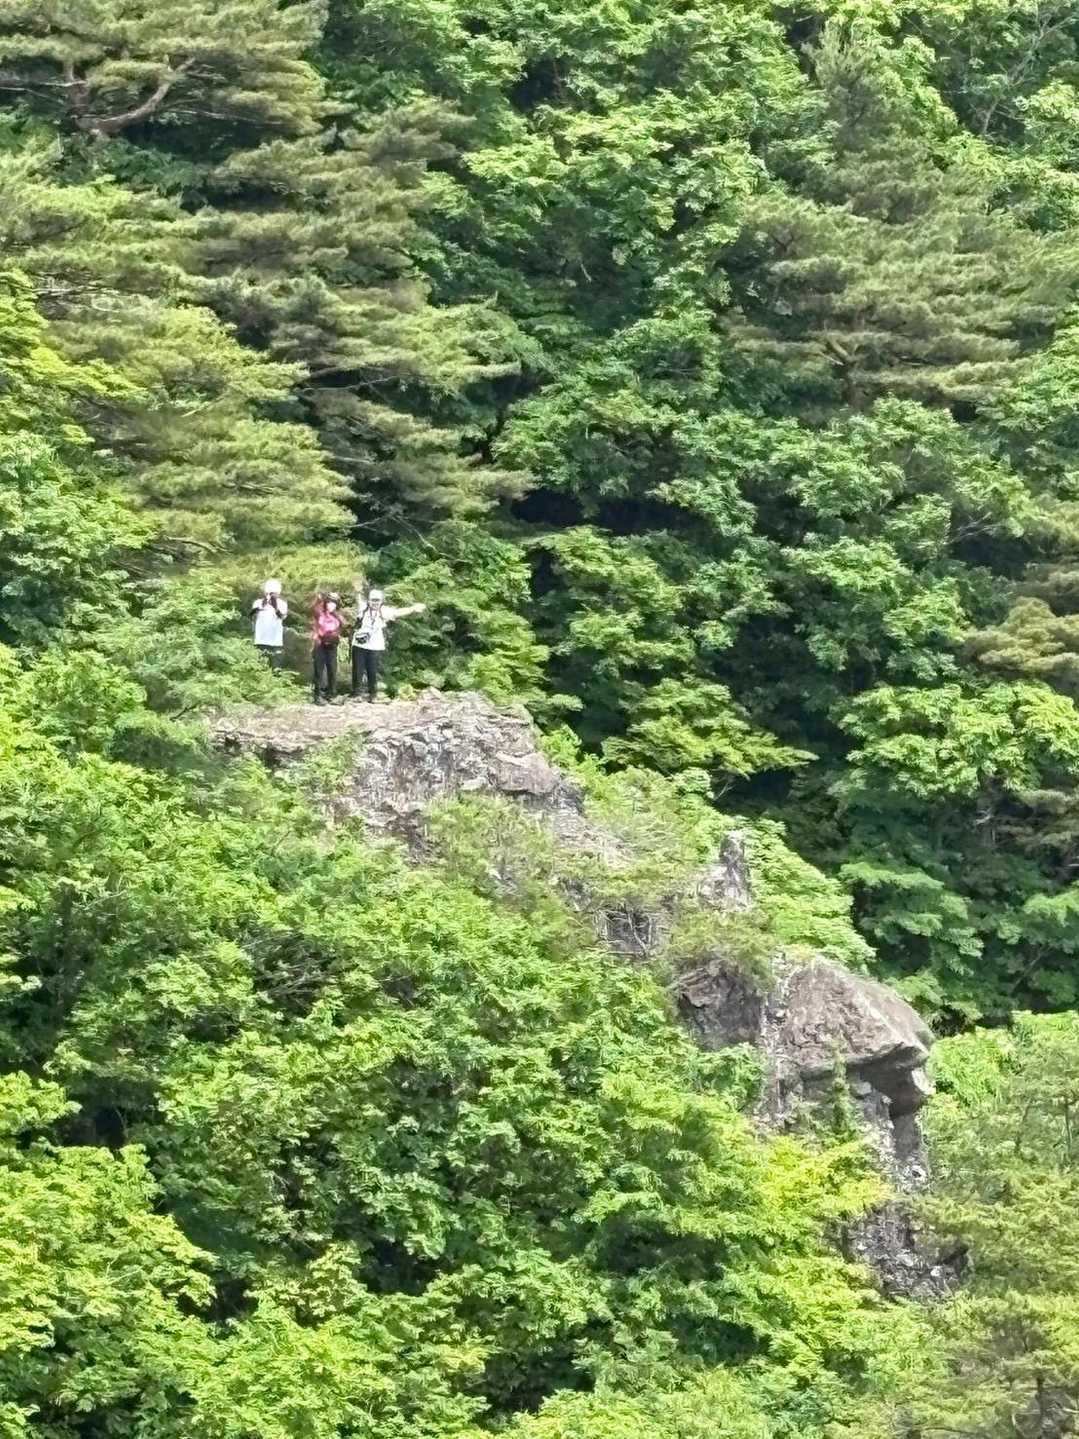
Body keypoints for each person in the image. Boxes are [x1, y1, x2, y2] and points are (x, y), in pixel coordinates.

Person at [350, 586, 426, 701]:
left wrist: (413, 608)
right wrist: (356, 589)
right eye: (373, 600)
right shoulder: (363, 608)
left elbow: (398, 612)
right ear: (369, 600)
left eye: (377, 600)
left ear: (381, 601)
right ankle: (357, 693)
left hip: (375, 646)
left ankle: (373, 694)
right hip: (359, 644)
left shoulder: (384, 611)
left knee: (372, 670)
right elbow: (357, 597)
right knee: (357, 670)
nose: (375, 603)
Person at [311, 592, 344, 704]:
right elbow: (314, 609)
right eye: (329, 603)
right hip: (320, 644)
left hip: (332, 645)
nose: (331, 605)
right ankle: (317, 695)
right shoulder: (320, 613)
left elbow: (342, 627)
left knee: (332, 669)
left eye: (334, 603)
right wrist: (319, 599)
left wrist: (335, 635)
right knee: (319, 670)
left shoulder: (337, 616)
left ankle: (332, 694)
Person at [251, 579, 288, 670]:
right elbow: (252, 616)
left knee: (276, 669)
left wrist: (275, 607)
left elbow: (282, 617)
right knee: (261, 668)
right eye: (270, 593)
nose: (271, 596)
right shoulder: (258, 602)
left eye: (274, 593)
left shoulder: (282, 604)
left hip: (276, 642)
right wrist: (262, 605)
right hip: (260, 640)